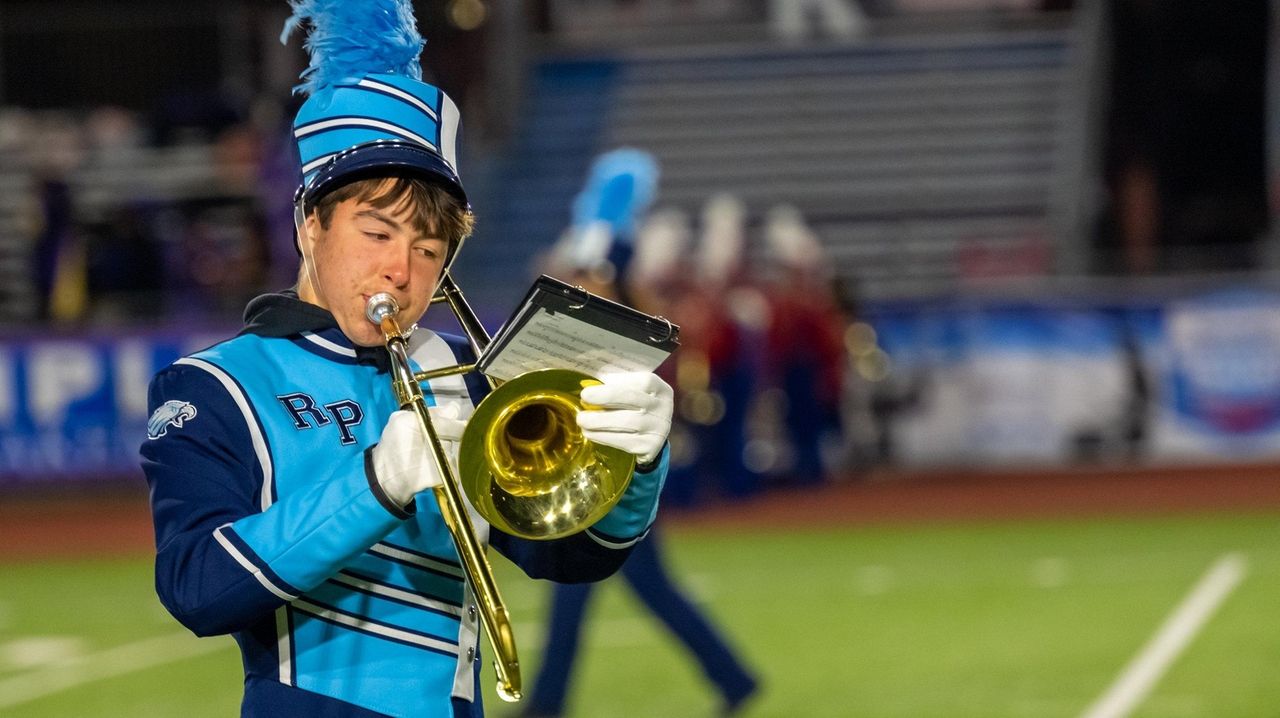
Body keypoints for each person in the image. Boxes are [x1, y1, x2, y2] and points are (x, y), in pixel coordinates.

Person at [139, 3, 674, 717]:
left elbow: (569, 556)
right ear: (309, 225)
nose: (400, 269)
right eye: (376, 231)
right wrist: (379, 482)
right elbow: (196, 587)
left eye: (429, 250)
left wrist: (636, 465)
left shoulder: (467, 373)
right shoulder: (213, 387)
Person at [522, 149, 759, 718]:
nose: (578, 284)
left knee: (582, 591)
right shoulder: (588, 324)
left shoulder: (631, 336)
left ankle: (546, 707)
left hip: (618, 481)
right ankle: (733, 679)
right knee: (636, 591)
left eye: (590, 277)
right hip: (584, 479)